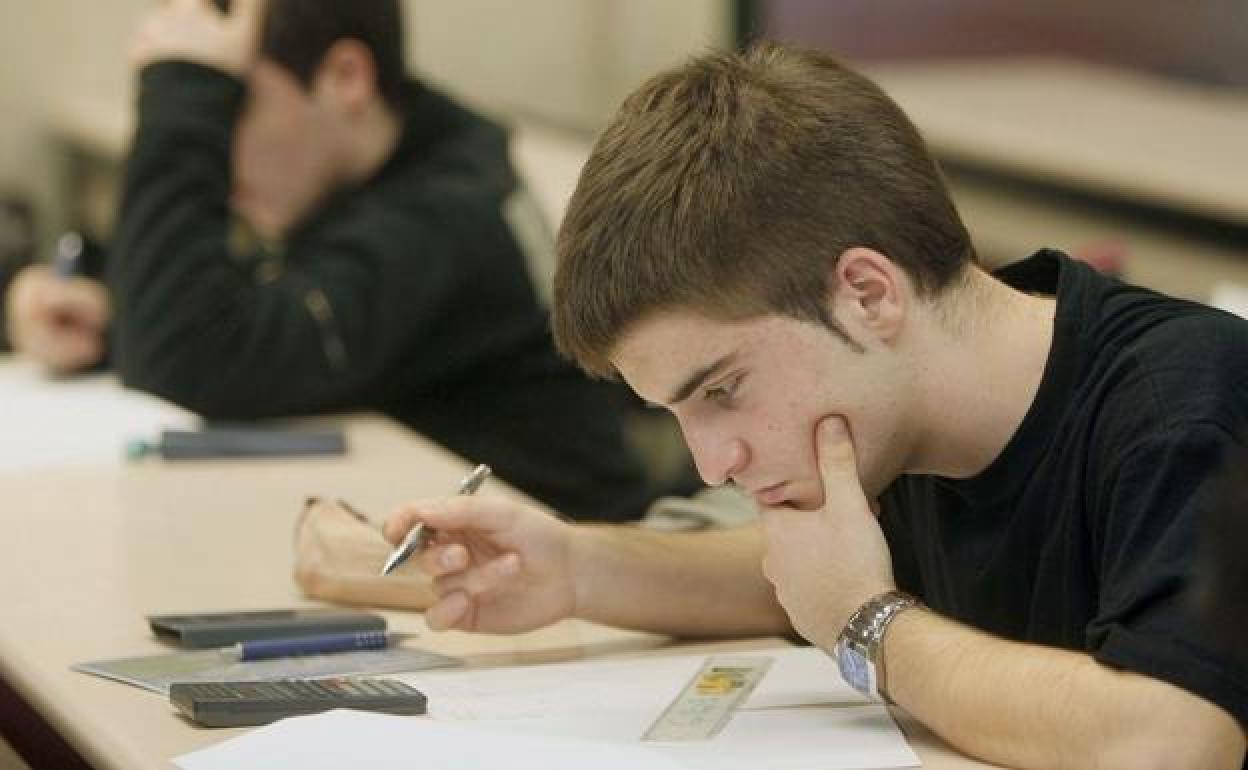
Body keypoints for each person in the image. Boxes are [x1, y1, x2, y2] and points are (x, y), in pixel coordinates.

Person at [375, 44, 1248, 769]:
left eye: (721, 391)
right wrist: (576, 570)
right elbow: (804, 579)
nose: (713, 461)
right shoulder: (902, 411)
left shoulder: (1185, 401)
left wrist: (869, 626)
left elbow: (1172, 738)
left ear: (868, 294)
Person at [2, 0, 651, 522]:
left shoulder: (449, 220)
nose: (219, 149)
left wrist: (182, 96)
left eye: (232, 103)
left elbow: (189, 358)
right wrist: (103, 315)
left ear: (346, 77)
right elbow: (243, 317)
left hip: (563, 605)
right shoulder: (395, 165)